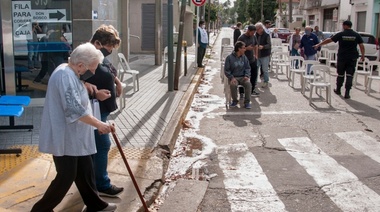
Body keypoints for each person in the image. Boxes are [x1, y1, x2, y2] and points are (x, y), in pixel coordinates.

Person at [31, 42, 117, 212]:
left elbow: (75, 92)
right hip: (65, 137)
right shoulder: (64, 75)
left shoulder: (69, 71)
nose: (92, 72)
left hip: (75, 136)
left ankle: (96, 205)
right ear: (80, 65)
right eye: (91, 69)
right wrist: (99, 124)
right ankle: (40, 210)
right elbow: (74, 109)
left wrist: (89, 89)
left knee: (85, 170)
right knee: (66, 176)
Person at [84, 24, 124, 197]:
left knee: (98, 145)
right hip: (94, 107)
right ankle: (101, 184)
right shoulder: (85, 55)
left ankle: (94, 182)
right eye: (109, 47)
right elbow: (75, 78)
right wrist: (94, 91)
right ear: (98, 42)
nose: (110, 51)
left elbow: (105, 67)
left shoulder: (97, 54)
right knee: (102, 145)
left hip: (102, 108)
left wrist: (117, 81)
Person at [313, 20, 365, 99]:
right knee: (349, 75)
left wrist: (319, 44)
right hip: (352, 58)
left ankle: (338, 89)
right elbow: (361, 45)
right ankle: (347, 93)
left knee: (340, 74)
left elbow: (329, 40)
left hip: (342, 57)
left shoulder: (341, 34)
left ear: (344, 26)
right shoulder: (356, 35)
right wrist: (363, 56)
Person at [224, 41, 252, 109]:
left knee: (248, 84)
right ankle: (235, 101)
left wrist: (246, 75)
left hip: (243, 77)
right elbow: (226, 70)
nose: (245, 49)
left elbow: (247, 67)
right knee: (233, 84)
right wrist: (231, 77)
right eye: (243, 48)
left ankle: (247, 102)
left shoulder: (244, 57)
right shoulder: (229, 58)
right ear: (239, 49)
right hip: (234, 77)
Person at [238, 25, 259, 96]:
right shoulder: (241, 38)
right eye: (252, 33)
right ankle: (241, 92)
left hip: (252, 59)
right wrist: (246, 48)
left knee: (254, 74)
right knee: (243, 75)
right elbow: (238, 49)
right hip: (243, 60)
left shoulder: (254, 37)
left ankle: (252, 90)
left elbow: (256, 45)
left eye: (254, 33)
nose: (253, 34)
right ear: (248, 31)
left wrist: (256, 55)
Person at [255, 22, 272, 88]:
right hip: (257, 55)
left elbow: (269, 45)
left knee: (265, 69)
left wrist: (263, 47)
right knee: (255, 69)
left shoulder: (266, 35)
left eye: (257, 29)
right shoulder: (255, 35)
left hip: (265, 55)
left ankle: (266, 81)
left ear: (261, 28)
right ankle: (254, 81)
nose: (257, 31)